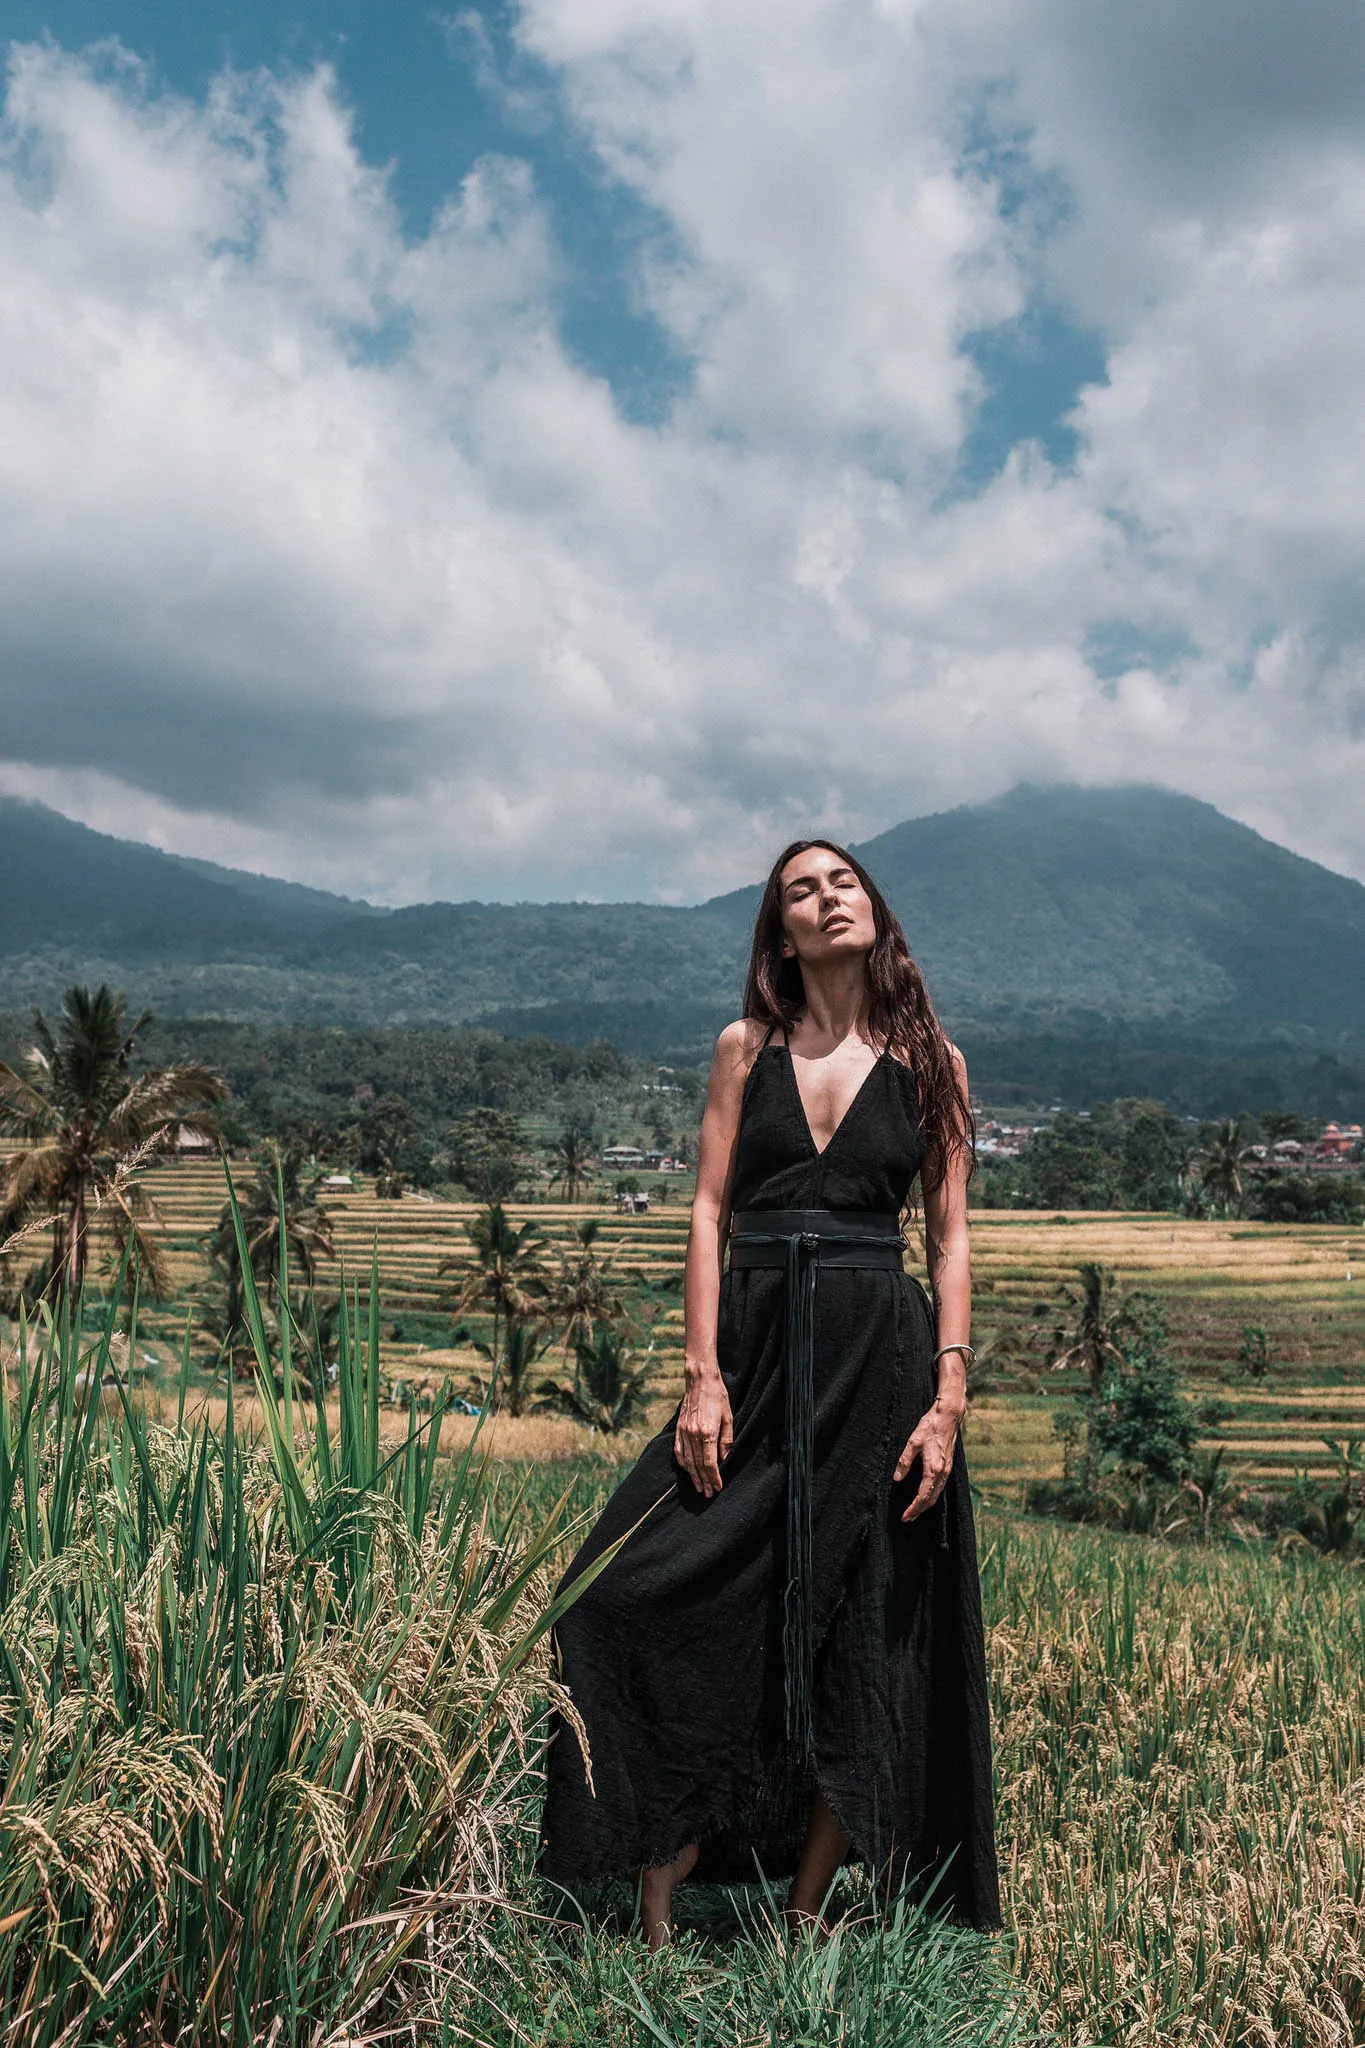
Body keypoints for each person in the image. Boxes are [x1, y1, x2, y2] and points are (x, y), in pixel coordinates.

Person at [538, 839, 1002, 1947]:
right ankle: (661, 1869)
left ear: (875, 910)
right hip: (752, 1354)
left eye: (844, 880)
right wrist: (701, 1374)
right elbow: (706, 1208)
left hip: (878, 1361)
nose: (828, 895)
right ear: (778, 930)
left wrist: (949, 1392)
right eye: (803, 887)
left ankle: (802, 1903)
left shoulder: (935, 1058)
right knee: (621, 1589)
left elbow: (949, 1237)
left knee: (870, 1622)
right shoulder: (744, 1047)